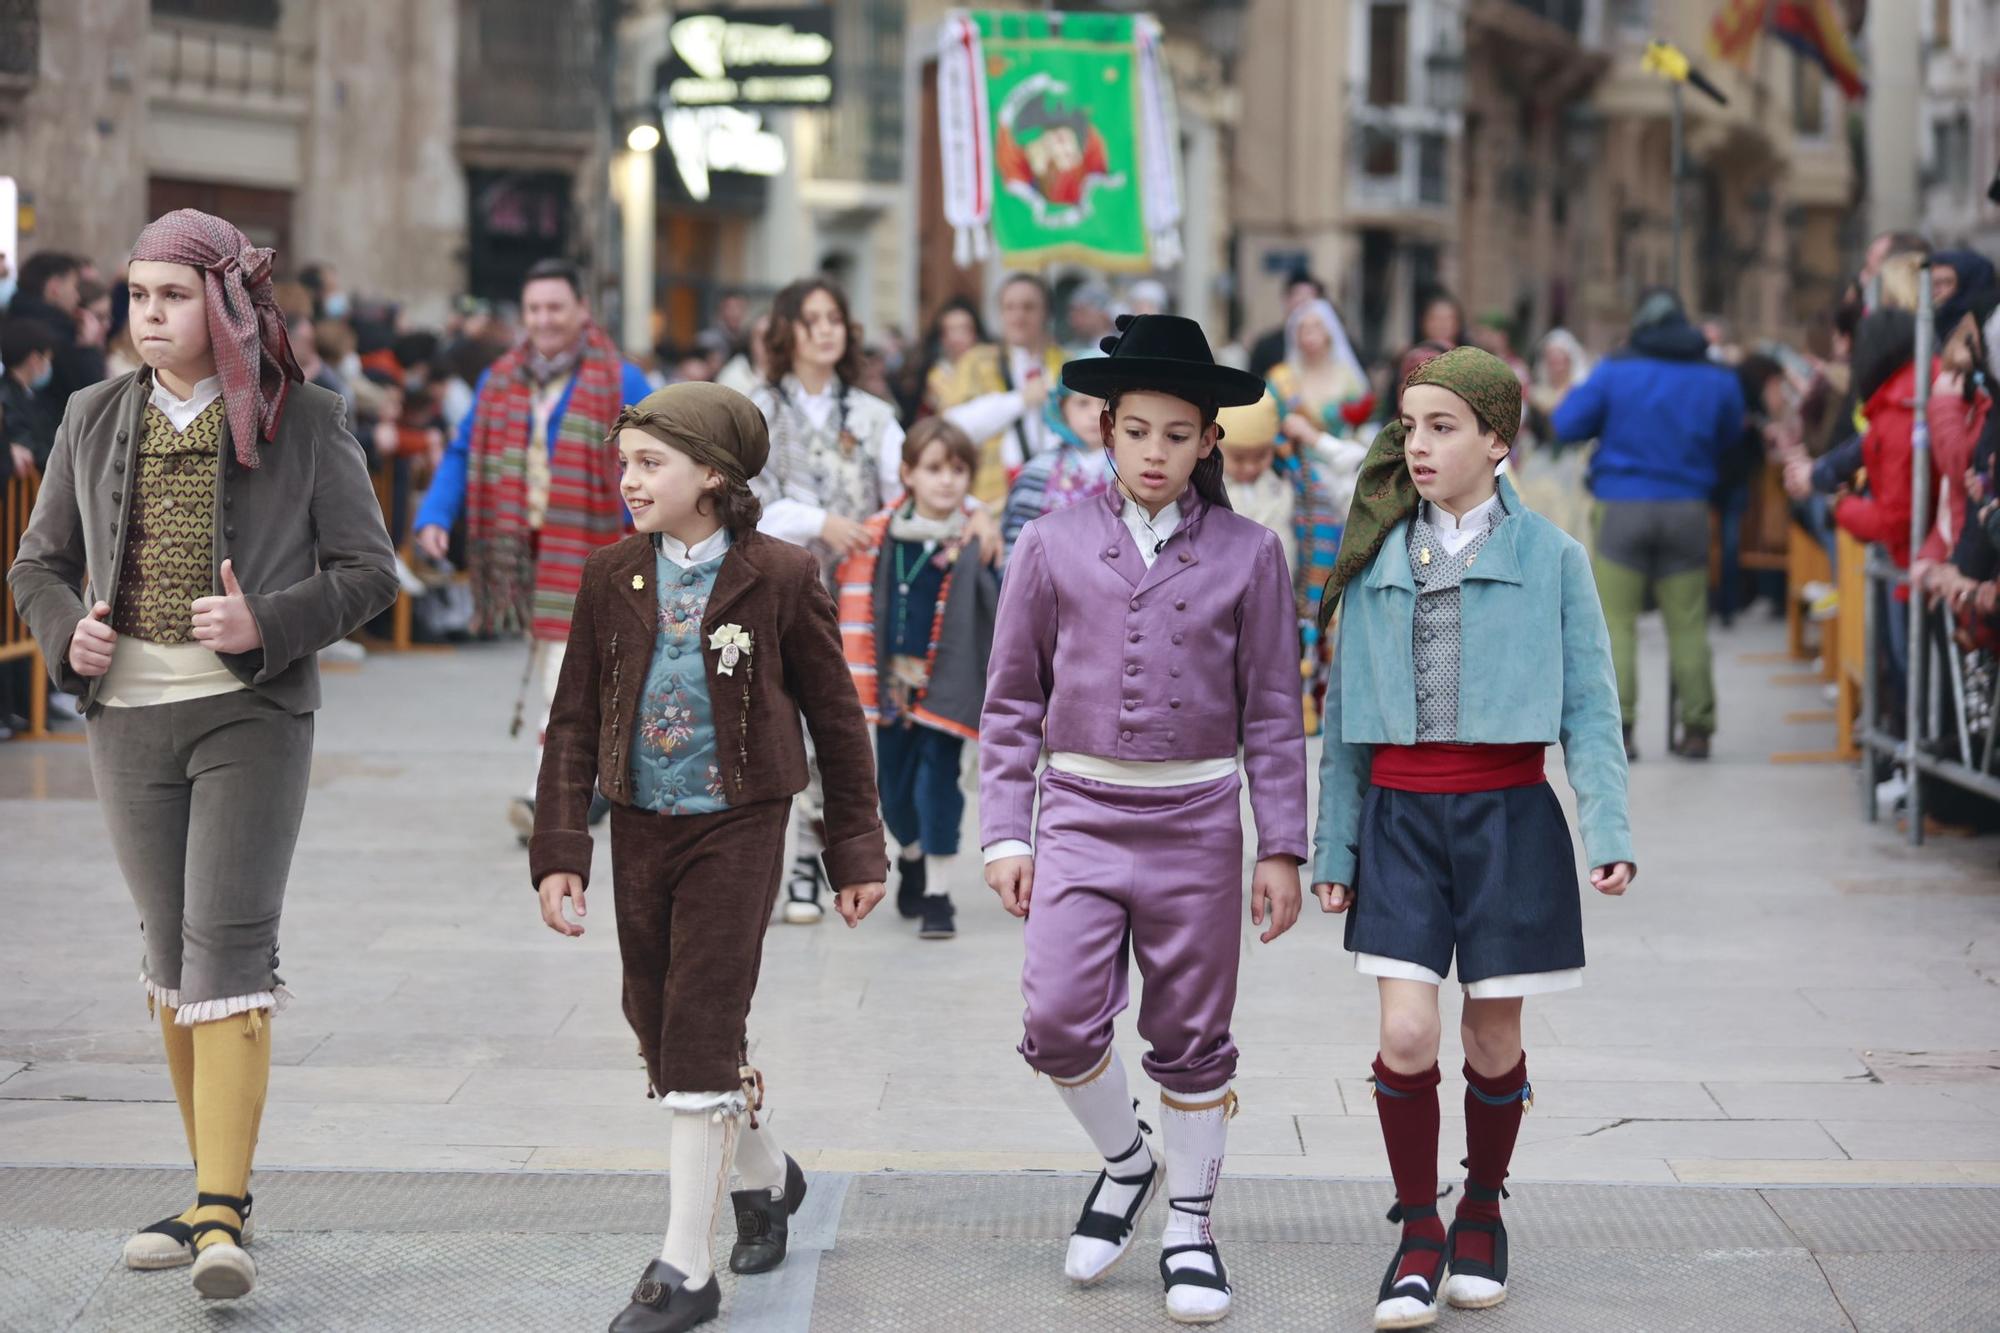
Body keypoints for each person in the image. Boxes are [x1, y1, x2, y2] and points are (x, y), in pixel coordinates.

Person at [6, 209, 398, 1300]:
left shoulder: (306, 420)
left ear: (225, 301)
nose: (149, 316)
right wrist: (61, 632)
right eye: (136, 297)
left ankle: (219, 1210)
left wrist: (265, 619)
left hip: (251, 713)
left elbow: (371, 573)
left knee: (227, 948)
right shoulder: (89, 413)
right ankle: (206, 1190)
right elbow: (37, 565)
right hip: (125, 716)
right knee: (172, 958)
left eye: (171, 296)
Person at [530, 383, 887, 1333]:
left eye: (651, 463)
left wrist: (855, 846)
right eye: (626, 462)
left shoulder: (778, 573)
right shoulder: (610, 574)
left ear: (714, 476)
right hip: (643, 822)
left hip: (741, 822)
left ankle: (685, 1269)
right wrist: (560, 845)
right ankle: (768, 1175)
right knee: (657, 1021)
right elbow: (570, 720)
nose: (628, 479)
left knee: (699, 1021)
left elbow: (837, 718)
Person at [980, 314, 1307, 1325]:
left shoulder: (1252, 553)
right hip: (1077, 811)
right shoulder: (1047, 541)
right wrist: (1006, 829)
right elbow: (1008, 699)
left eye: (1176, 433)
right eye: (1135, 431)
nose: (1154, 452)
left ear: (1210, 439)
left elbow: (1272, 712)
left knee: (1191, 1033)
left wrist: (1281, 845)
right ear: (1102, 430)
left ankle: (1190, 1223)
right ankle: (1127, 1163)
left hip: (1199, 820)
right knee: (1053, 1018)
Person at [1309, 346, 1633, 1331]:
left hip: (1508, 818)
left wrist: (1605, 825)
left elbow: (1589, 702)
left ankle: (1481, 1209)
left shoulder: (1553, 560)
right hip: (1399, 818)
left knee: (1492, 1036)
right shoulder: (1369, 559)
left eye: (1442, 426)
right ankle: (1416, 1230)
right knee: (1405, 1032)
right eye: (1408, 426)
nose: (1418, 445)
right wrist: (1334, 849)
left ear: (1498, 441)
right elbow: (1339, 725)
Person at [411, 258, 653, 839]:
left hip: (600, 552)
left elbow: (656, 457)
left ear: (582, 310)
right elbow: (464, 451)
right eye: (534, 309)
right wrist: (436, 515)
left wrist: (644, 533)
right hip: (524, 556)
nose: (544, 320)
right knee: (577, 673)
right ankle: (592, 782)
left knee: (562, 672)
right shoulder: (501, 379)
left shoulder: (622, 380)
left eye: (555, 308)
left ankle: (548, 794)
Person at [1551, 288, 1744, 760]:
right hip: (1687, 508)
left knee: (1616, 623)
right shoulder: (1715, 377)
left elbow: (1566, 423)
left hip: (1621, 507)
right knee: (1688, 622)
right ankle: (1697, 728)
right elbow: (1734, 434)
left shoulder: (1616, 370)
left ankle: (1623, 730)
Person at [835, 418, 999, 941]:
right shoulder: (880, 538)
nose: (947, 481)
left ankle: (938, 893)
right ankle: (909, 853)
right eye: (933, 469)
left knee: (938, 785)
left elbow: (995, 611)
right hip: (891, 689)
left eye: (957, 470)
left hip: (946, 686)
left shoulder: (975, 538)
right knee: (893, 794)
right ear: (907, 473)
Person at [1214, 388, 1346, 733]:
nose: (1248, 467)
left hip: (1281, 603)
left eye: (1258, 456)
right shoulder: (1205, 487)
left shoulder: (1293, 481)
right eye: (1238, 458)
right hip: (1221, 608)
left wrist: (1316, 441)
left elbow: (1352, 481)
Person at [929, 273, 1068, 505]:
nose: (1018, 316)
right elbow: (953, 425)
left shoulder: (1066, 364)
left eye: (1029, 307)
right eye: (1010, 307)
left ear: (1046, 313)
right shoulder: (978, 360)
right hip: (992, 500)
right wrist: (1020, 400)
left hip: (1055, 497)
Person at [998, 351, 1114, 548]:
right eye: (1082, 403)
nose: (1096, 414)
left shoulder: (1136, 467)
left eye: (1106, 403)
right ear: (1061, 409)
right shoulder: (1036, 473)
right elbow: (1016, 548)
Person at [11, 251, 108, 413]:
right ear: (54, 287)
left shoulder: (14, 317)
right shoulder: (54, 334)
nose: (77, 297)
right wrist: (89, 349)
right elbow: (91, 399)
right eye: (74, 287)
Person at [1269, 297, 1372, 443]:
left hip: (1339, 452)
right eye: (1303, 329)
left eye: (1317, 327)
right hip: (1295, 458)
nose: (1309, 335)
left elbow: (1362, 417)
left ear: (1329, 332)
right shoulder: (1282, 377)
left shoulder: (1346, 374)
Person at [1, 317, 60, 473]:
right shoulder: (7, 399)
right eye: (47, 359)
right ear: (34, 359)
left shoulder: (29, 394)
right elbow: (30, 447)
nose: (48, 365)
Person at [1247, 270, 1325, 379]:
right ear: (1286, 300)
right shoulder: (1266, 347)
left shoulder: (1333, 343)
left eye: (1308, 300)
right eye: (1298, 299)